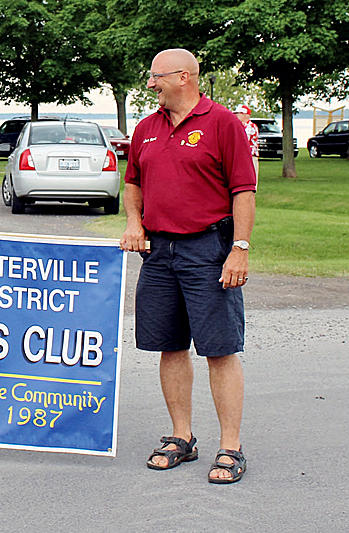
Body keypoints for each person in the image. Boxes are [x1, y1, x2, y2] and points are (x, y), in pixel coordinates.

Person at [119, 49, 256, 484]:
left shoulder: (222, 123)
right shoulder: (146, 128)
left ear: (184, 76)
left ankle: (231, 447)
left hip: (208, 249)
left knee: (219, 348)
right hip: (158, 255)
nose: (150, 85)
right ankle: (182, 438)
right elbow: (134, 184)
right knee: (169, 345)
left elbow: (244, 190)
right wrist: (134, 222)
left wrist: (240, 247)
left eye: (156, 78)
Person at [233, 104, 259, 179]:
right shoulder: (240, 126)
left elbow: (242, 140)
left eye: (238, 114)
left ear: (244, 114)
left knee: (250, 179)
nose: (236, 116)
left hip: (250, 157)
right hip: (241, 157)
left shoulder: (250, 126)